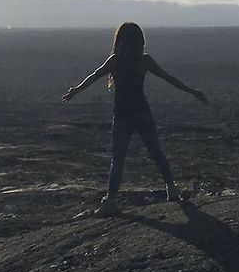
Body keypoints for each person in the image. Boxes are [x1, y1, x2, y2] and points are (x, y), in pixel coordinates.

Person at [62, 22, 209, 214]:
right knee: (156, 153)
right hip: (142, 113)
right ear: (140, 40)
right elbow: (168, 77)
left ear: (120, 39)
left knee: (118, 160)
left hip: (122, 116)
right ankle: (171, 190)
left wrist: (75, 91)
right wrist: (192, 92)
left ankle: (112, 201)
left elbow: (95, 76)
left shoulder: (115, 61)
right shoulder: (144, 61)